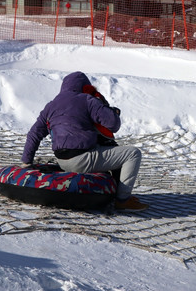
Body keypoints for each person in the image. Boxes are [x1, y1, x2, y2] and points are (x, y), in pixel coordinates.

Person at [21, 71, 148, 211]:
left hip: (63, 161)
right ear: (85, 86)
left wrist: (27, 162)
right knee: (133, 153)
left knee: (111, 153)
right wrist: (111, 111)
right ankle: (123, 200)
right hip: (83, 158)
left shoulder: (51, 106)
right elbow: (113, 125)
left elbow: (34, 134)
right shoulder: (87, 100)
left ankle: (115, 192)